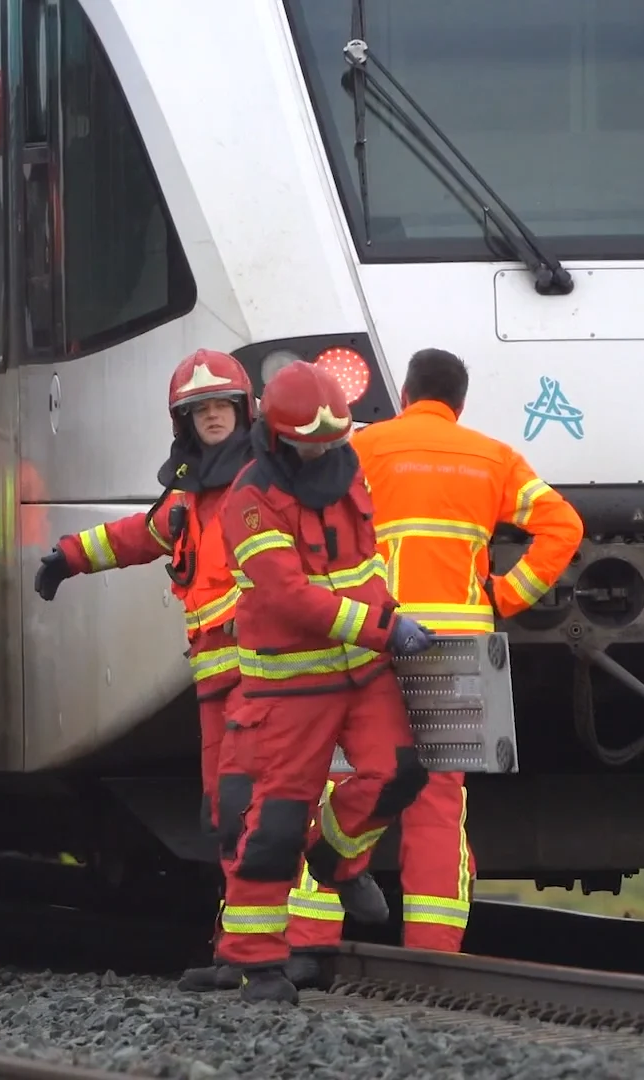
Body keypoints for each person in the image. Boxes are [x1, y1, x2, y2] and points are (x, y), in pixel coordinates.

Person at [337, 347, 583, 955]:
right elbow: (564, 526)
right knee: (438, 795)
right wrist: (507, 595)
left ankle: (310, 939)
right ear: (460, 404)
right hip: (457, 648)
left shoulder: (365, 448)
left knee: (345, 777)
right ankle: (434, 948)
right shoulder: (492, 457)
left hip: (375, 636)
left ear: (404, 396)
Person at [211, 358, 437, 1005]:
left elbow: (364, 562)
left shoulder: (345, 467)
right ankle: (256, 960)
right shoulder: (248, 500)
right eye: (312, 444)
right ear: (278, 437)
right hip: (292, 686)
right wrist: (383, 628)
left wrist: (389, 611)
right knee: (277, 823)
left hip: (362, 670)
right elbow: (288, 597)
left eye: (333, 441)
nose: (323, 453)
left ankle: (334, 860)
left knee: (398, 773)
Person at [30, 349, 255, 990]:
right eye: (200, 410)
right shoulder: (190, 492)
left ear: (243, 410)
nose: (213, 417)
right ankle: (241, 950)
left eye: (222, 405)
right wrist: (69, 557)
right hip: (216, 679)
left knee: (253, 807)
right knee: (226, 812)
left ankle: (268, 950)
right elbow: (140, 535)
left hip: (265, 677)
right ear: (185, 422)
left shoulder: (265, 483)